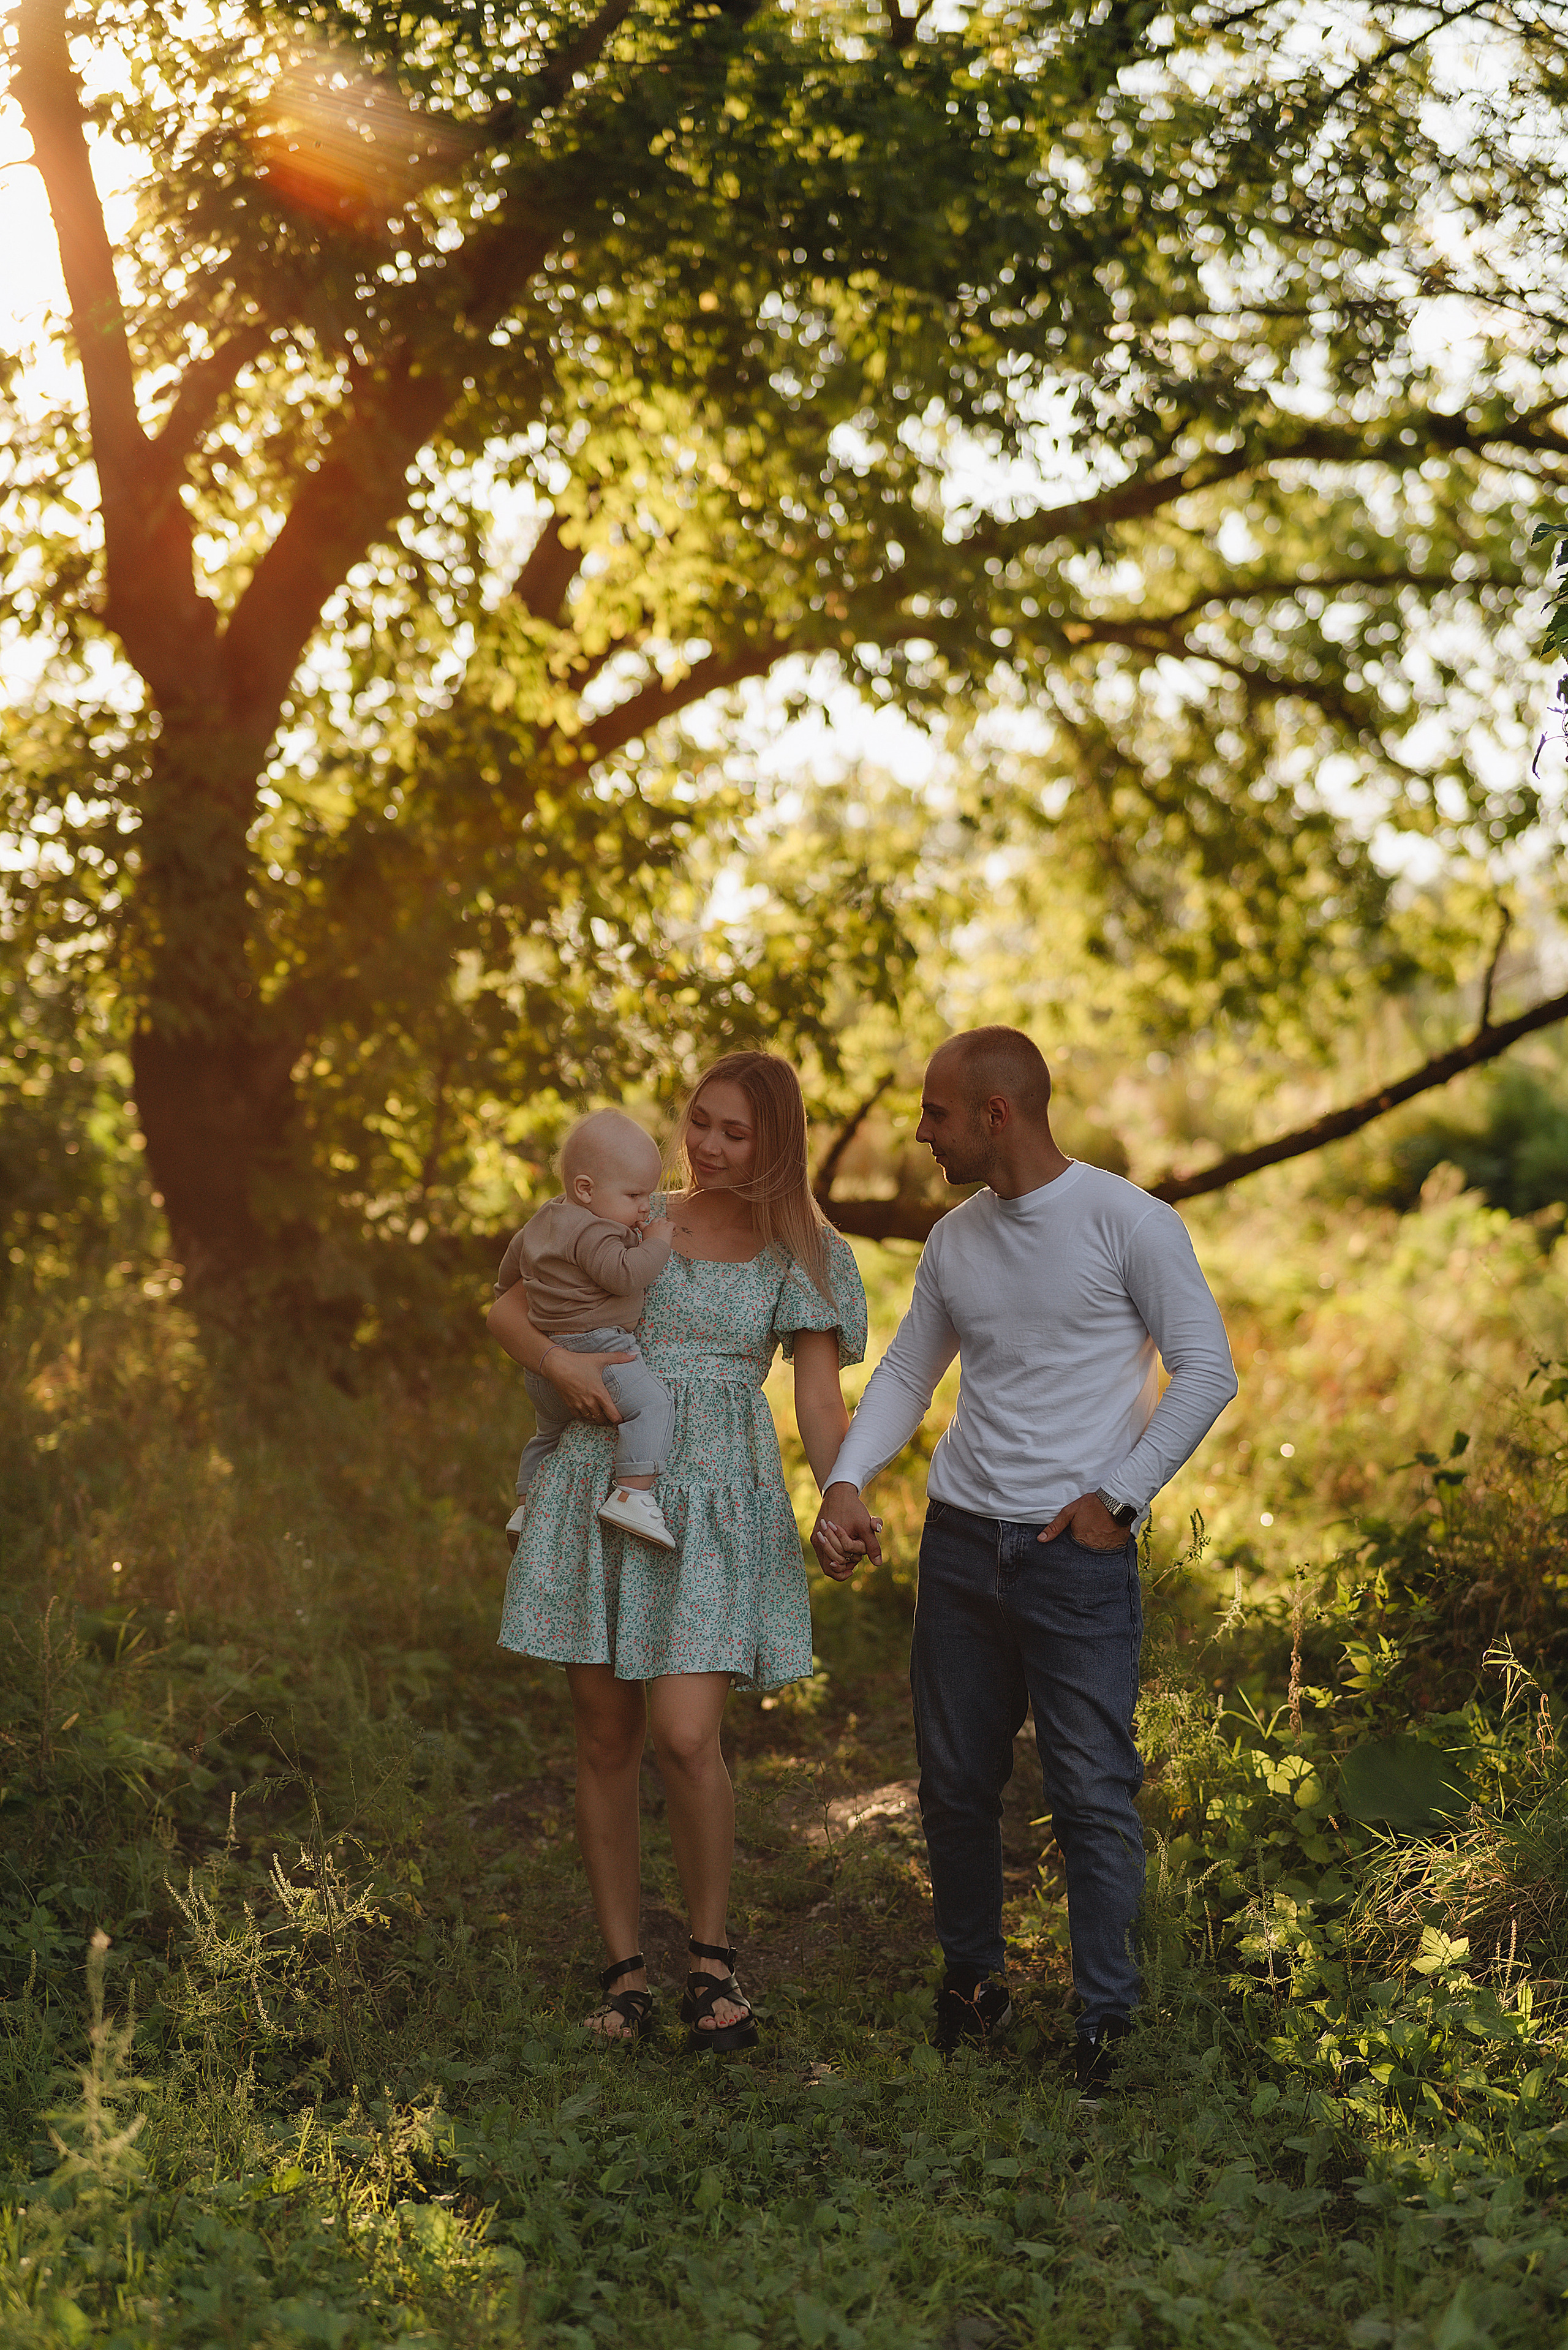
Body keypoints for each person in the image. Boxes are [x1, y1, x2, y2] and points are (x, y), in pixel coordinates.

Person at [812, 1027, 1237, 2098]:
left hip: (1072, 1558)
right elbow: (911, 1369)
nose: (920, 1132)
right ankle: (975, 1985)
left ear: (998, 1114)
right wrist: (848, 1480)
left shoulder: (1128, 1222)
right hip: (959, 1544)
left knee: (1091, 1788)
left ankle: (1107, 2020)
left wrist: (1121, 1496)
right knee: (955, 1786)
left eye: (935, 1112)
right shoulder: (957, 1239)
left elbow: (1205, 1371)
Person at [489, 1052, 867, 2050]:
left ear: (775, 1142)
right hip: (603, 1472)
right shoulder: (626, 1211)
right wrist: (562, 1360)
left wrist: (844, 1488)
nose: (704, 1144)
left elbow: (820, 1400)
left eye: (733, 1131)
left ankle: (711, 1960)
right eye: (700, 1121)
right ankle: (625, 1974)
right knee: (604, 1732)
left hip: (720, 1496)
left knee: (688, 1734)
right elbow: (515, 1305)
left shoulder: (805, 1251)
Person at [496, 1109, 679, 1553]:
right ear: (585, 1189)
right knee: (653, 1405)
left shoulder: (545, 1218)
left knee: (548, 1435)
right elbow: (624, 1274)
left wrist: (512, 1291)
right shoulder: (596, 1231)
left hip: (545, 1368)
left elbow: (509, 1272)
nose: (644, 1207)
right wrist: (657, 1241)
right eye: (635, 1194)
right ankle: (632, 1493)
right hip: (598, 1347)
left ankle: (526, 1504)